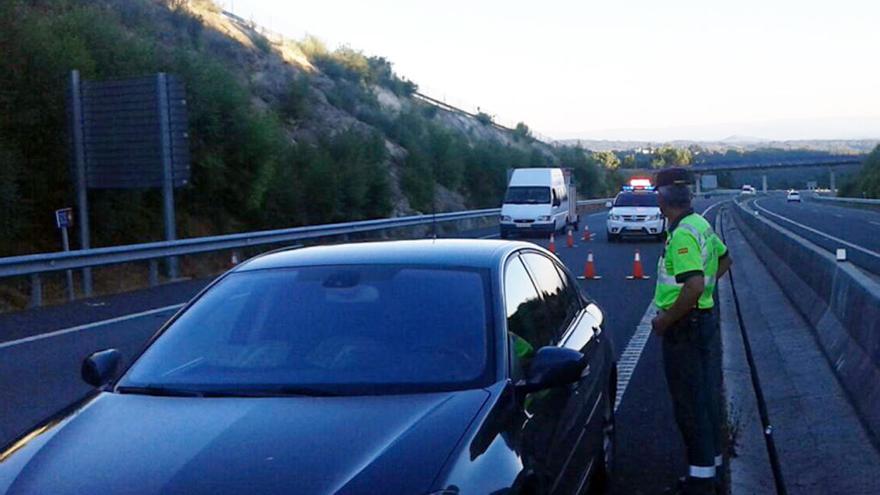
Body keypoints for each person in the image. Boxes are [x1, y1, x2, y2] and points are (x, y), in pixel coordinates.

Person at [650, 168, 732, 495]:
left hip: (685, 329)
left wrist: (667, 320)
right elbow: (724, 261)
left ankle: (700, 485)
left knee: (689, 406)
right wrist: (705, 297)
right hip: (703, 322)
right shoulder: (701, 225)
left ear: (661, 199)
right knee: (706, 399)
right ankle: (712, 472)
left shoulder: (683, 233)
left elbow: (694, 284)